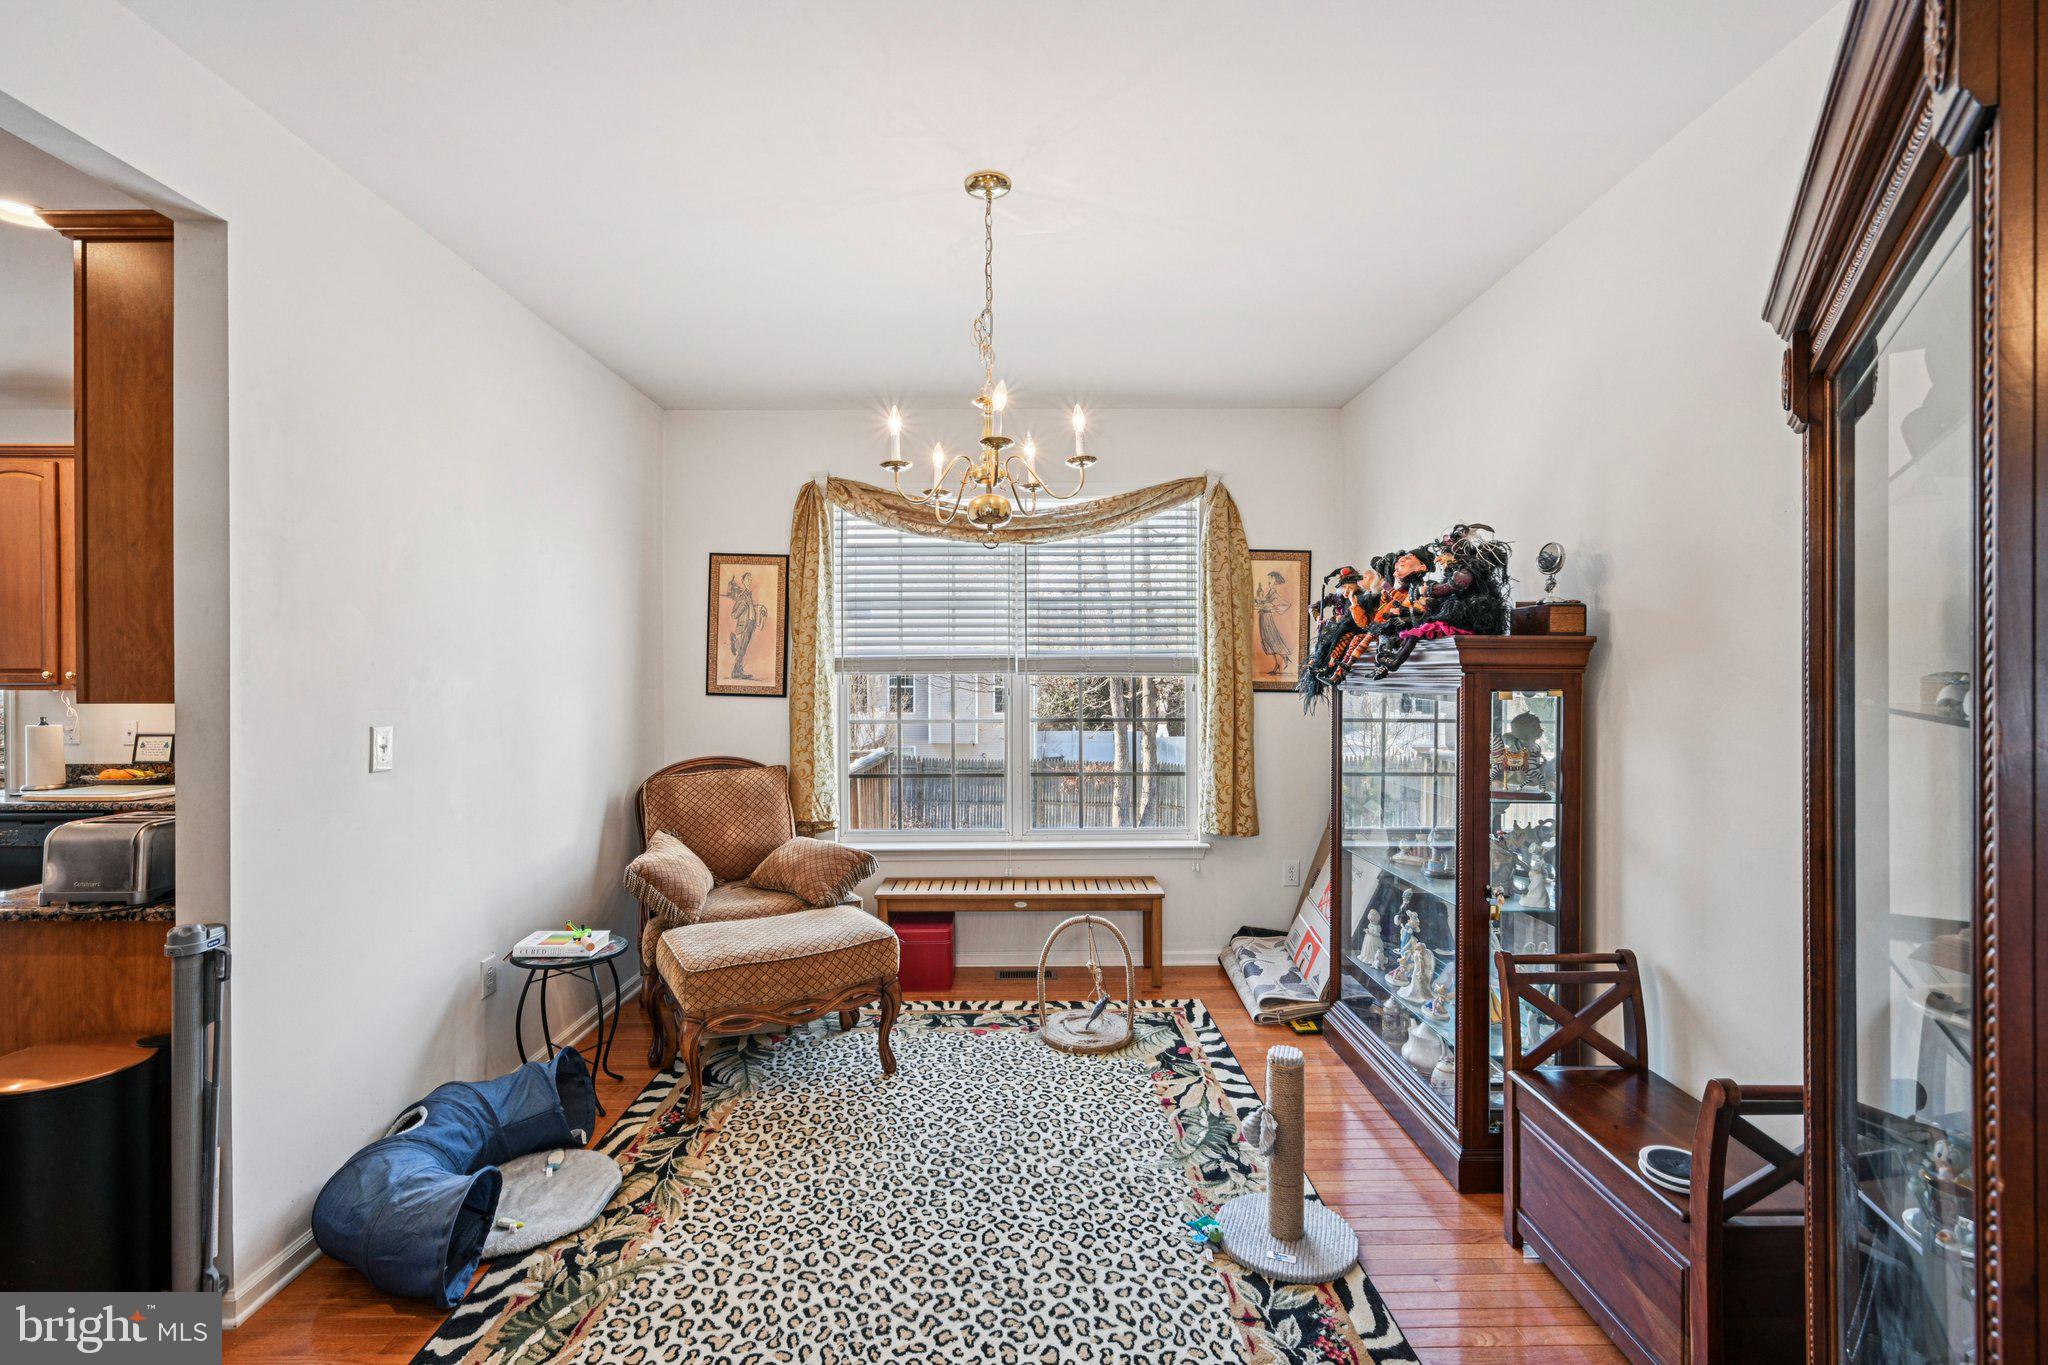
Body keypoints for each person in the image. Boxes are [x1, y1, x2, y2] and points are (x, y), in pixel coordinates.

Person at [723, 571, 769, 680]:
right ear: (743, 581)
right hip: (744, 626)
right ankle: (736, 671)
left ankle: (738, 670)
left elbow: (751, 610)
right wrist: (743, 605)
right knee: (742, 649)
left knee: (744, 649)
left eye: (751, 580)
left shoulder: (749, 596)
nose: (750, 582)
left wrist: (760, 608)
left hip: (750, 625)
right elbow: (734, 614)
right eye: (748, 579)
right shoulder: (742, 597)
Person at [1254, 570, 1293, 675]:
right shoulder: (1270, 591)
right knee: (1268, 640)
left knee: (1271, 639)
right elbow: (1264, 602)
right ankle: (1280, 661)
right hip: (1263, 616)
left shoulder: (1274, 592)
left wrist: (1274, 608)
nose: (1269, 581)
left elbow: (1286, 604)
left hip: (1267, 618)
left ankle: (1281, 660)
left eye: (1270, 579)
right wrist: (1259, 602)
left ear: (1274, 580)